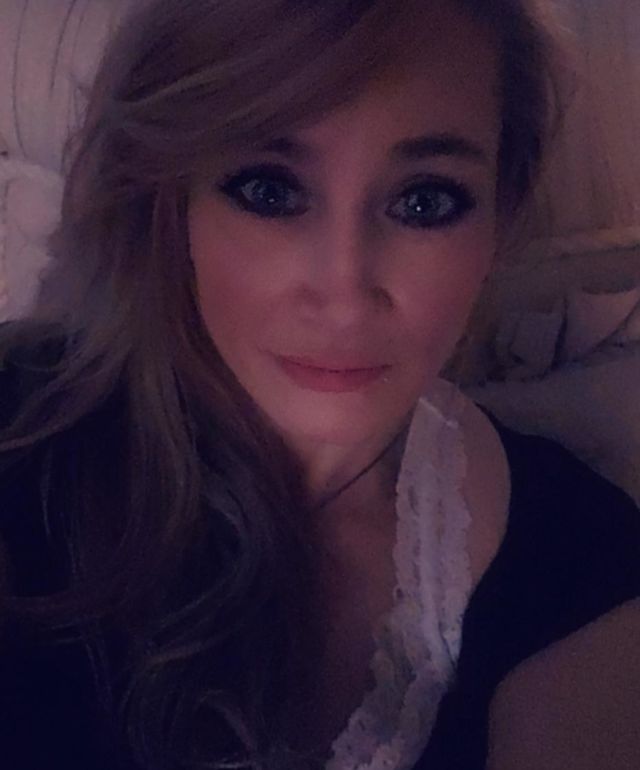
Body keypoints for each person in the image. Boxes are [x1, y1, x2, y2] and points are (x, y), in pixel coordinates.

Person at [0, 0, 639, 769]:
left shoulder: (579, 558)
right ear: (171, 202)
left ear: (497, 224)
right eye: (269, 190)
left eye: (425, 201)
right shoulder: (20, 433)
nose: (344, 293)